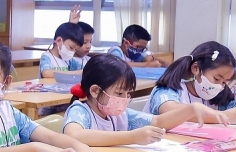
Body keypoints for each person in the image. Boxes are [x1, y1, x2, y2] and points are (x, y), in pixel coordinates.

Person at [63, 54, 227, 147]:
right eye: (119, 93)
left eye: (128, 94)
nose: (124, 99)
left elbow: (158, 122)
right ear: (95, 91)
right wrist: (132, 137)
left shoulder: (118, 114)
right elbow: (74, 136)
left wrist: (191, 109)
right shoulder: (80, 111)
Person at [148, 41, 236, 124]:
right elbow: (169, 111)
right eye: (217, 79)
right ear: (196, 68)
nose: (220, 86)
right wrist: (224, 116)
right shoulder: (168, 89)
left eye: (224, 82)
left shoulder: (218, 94)